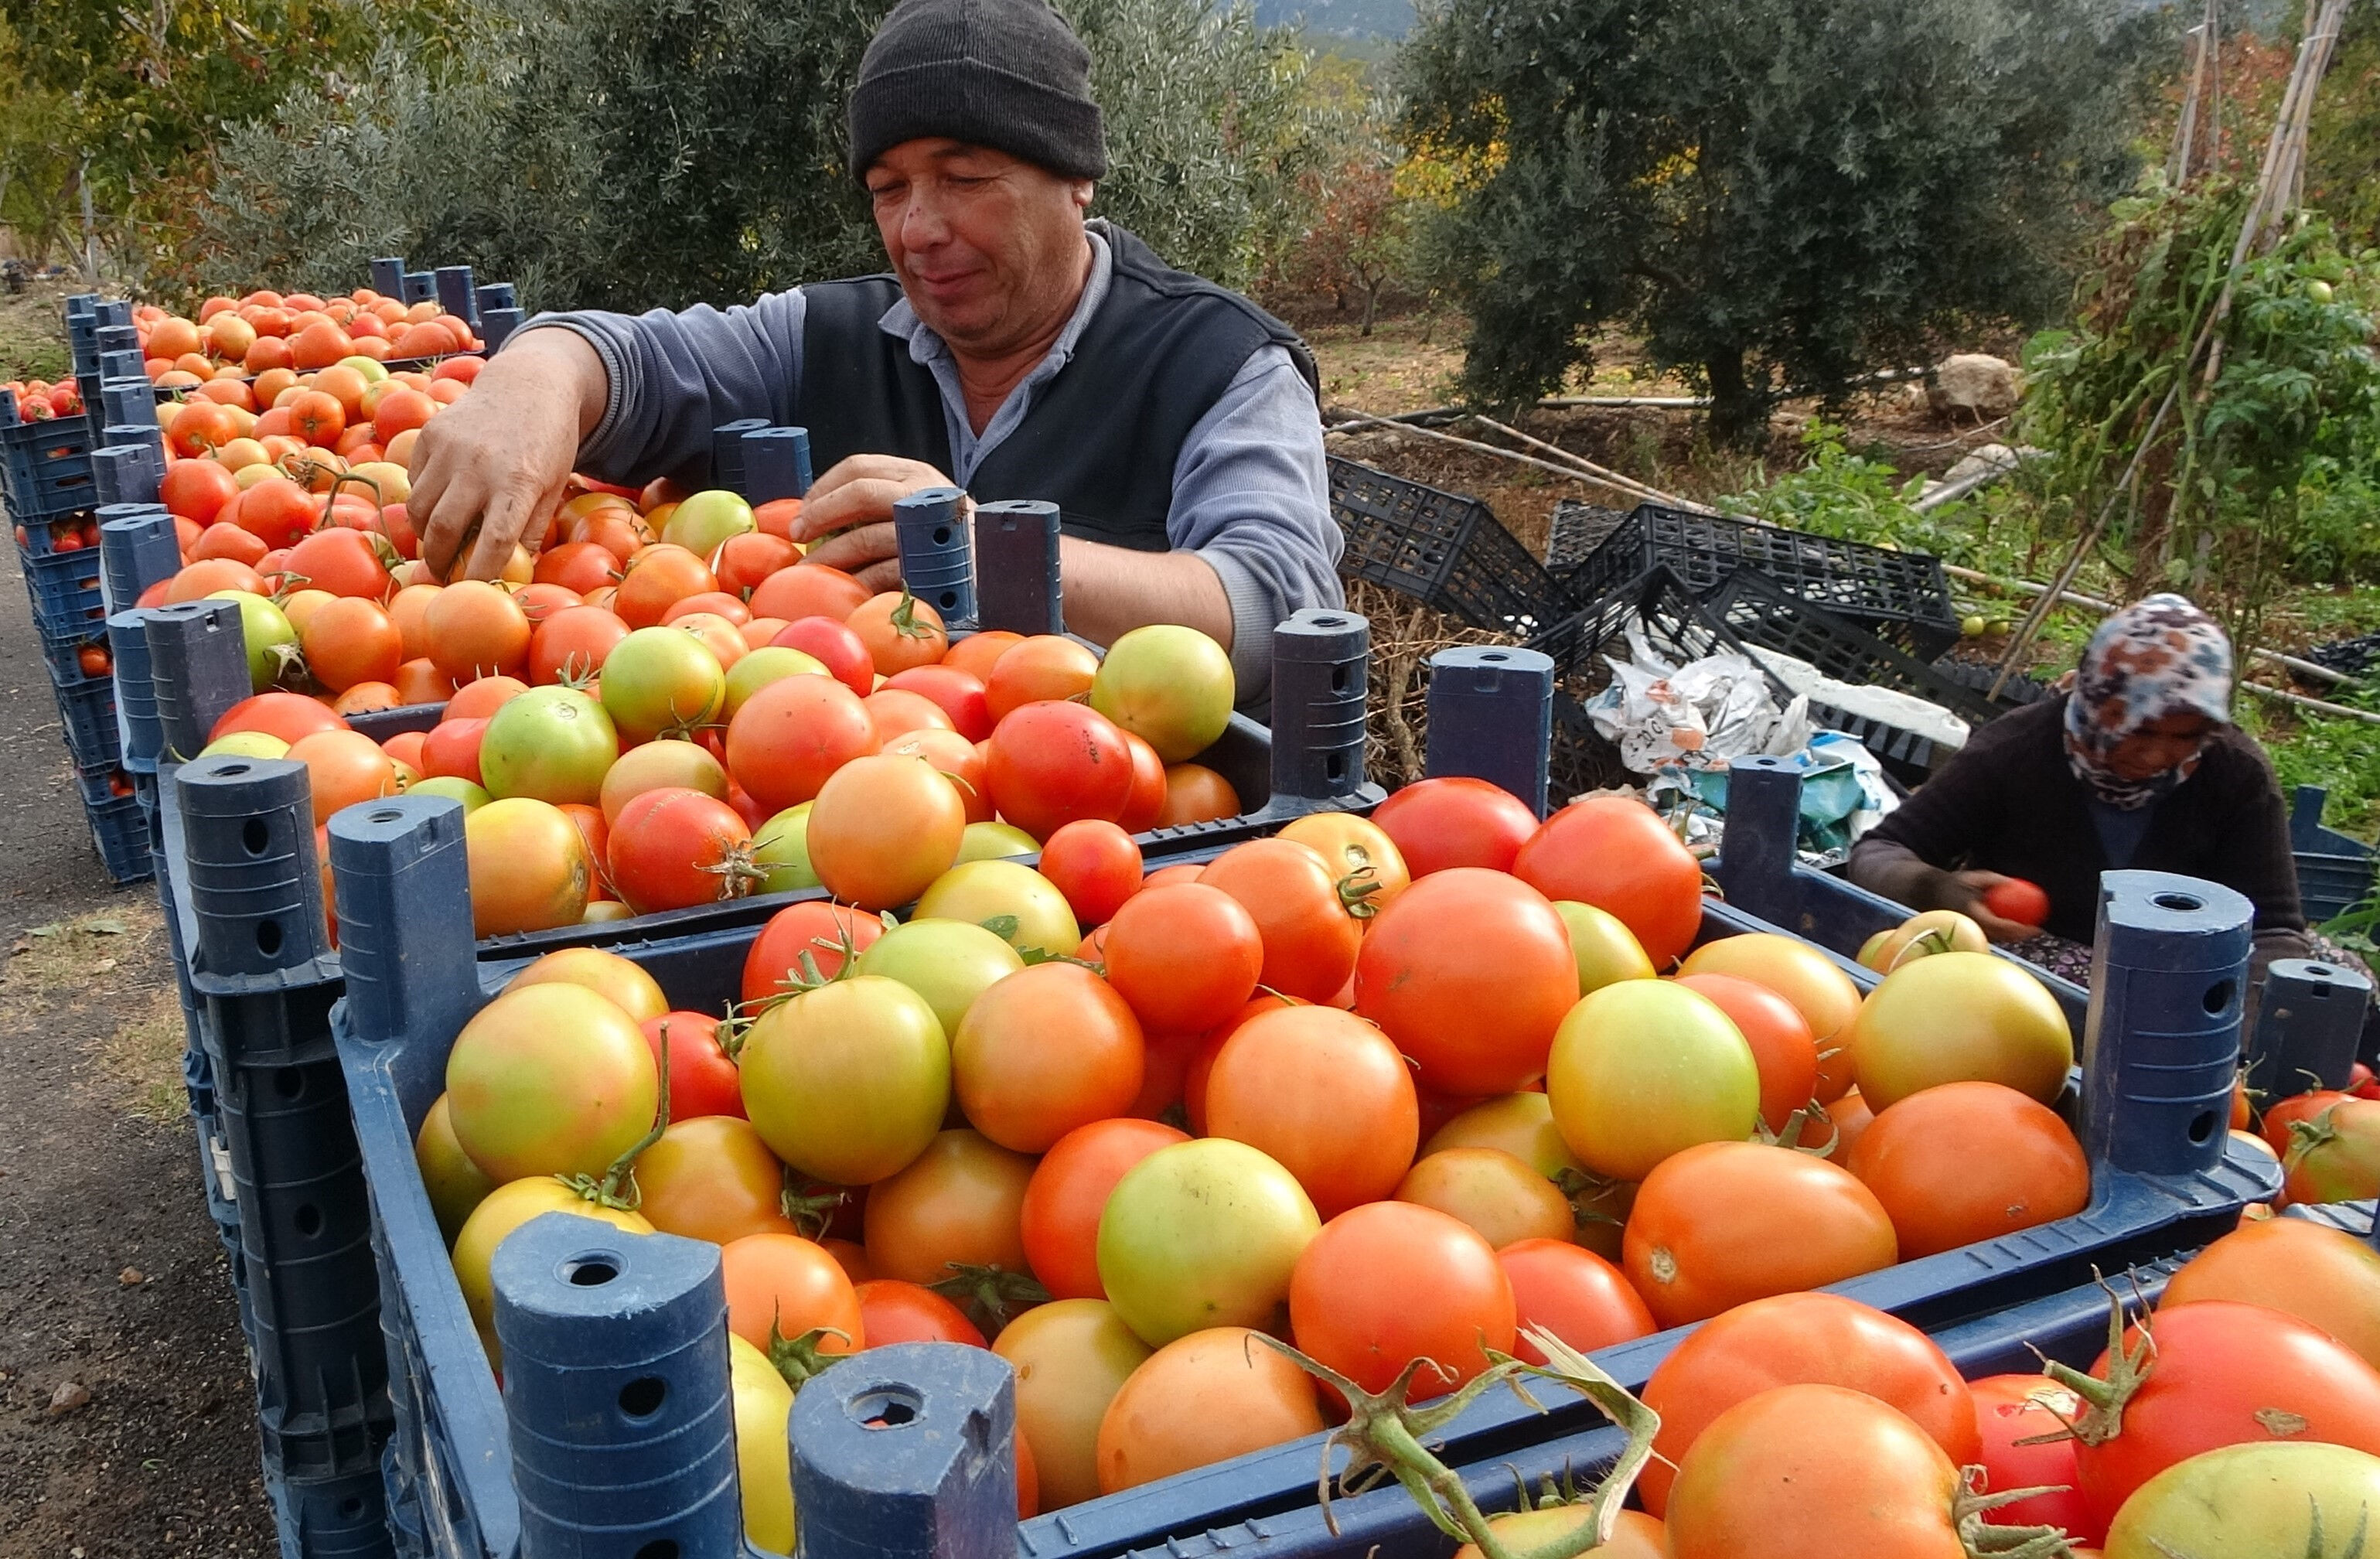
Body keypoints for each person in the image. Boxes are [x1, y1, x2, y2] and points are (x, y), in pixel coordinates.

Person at [405, 0, 1343, 700]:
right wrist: (537, 372)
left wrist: (986, 550)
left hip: (1128, 852)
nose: (919, 228)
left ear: (1076, 179)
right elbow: (640, 362)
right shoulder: (823, 337)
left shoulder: (1221, 364)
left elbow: (1280, 608)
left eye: (964, 178)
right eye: (889, 189)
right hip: (847, 831)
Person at [1847, 594, 2314, 984]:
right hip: (2032, 974)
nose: (2157, 756)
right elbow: (1878, 853)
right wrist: (1939, 890)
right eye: (2139, 729)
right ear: (2096, 699)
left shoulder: (2234, 774)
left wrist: (2237, 1023)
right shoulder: (2015, 752)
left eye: (2185, 736)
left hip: (2183, 973)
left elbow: (2275, 929)